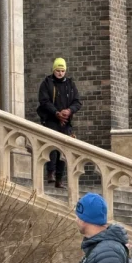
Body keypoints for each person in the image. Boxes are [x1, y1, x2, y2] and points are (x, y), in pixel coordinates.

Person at [36, 58, 82, 189]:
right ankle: (50, 172)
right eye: (58, 70)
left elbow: (77, 102)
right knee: (52, 146)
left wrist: (69, 111)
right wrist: (56, 113)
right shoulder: (47, 83)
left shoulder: (70, 84)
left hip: (65, 122)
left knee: (63, 149)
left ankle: (59, 179)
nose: (60, 73)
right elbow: (44, 101)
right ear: (53, 70)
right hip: (51, 120)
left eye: (62, 71)